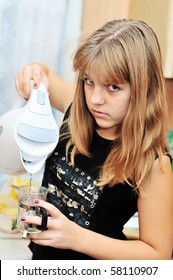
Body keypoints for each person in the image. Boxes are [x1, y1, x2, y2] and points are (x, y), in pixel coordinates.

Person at [15, 19, 173, 260]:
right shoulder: (77, 109)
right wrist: (32, 74)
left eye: (112, 87)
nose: (95, 99)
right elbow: (43, 73)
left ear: (143, 90)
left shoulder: (153, 163)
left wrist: (76, 237)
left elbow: (159, 254)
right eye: (89, 81)